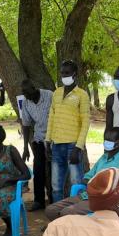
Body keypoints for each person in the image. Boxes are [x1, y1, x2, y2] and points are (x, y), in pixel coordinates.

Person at [45, 127, 119, 221]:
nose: (106, 143)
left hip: (102, 200)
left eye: (110, 141)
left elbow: (116, 186)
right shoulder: (104, 157)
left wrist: (96, 183)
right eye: (105, 140)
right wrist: (93, 182)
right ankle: (63, 229)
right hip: (86, 195)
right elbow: (87, 177)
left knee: (67, 213)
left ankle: (69, 231)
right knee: (51, 210)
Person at [45, 60, 90, 203]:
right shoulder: (56, 93)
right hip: (56, 144)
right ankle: (57, 218)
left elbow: (86, 122)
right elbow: (51, 117)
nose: (64, 76)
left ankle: (79, 217)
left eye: (67, 73)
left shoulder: (82, 95)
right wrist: (47, 141)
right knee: (56, 186)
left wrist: (79, 147)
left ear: (74, 74)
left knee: (77, 185)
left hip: (73, 145)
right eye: (62, 73)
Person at [18, 79, 54, 211]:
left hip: (54, 138)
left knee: (53, 171)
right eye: (23, 93)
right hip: (38, 139)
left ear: (34, 88)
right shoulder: (26, 103)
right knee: (38, 171)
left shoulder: (49, 95)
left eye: (27, 93)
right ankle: (39, 201)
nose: (26, 96)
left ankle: (53, 200)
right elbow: (26, 125)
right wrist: (26, 147)